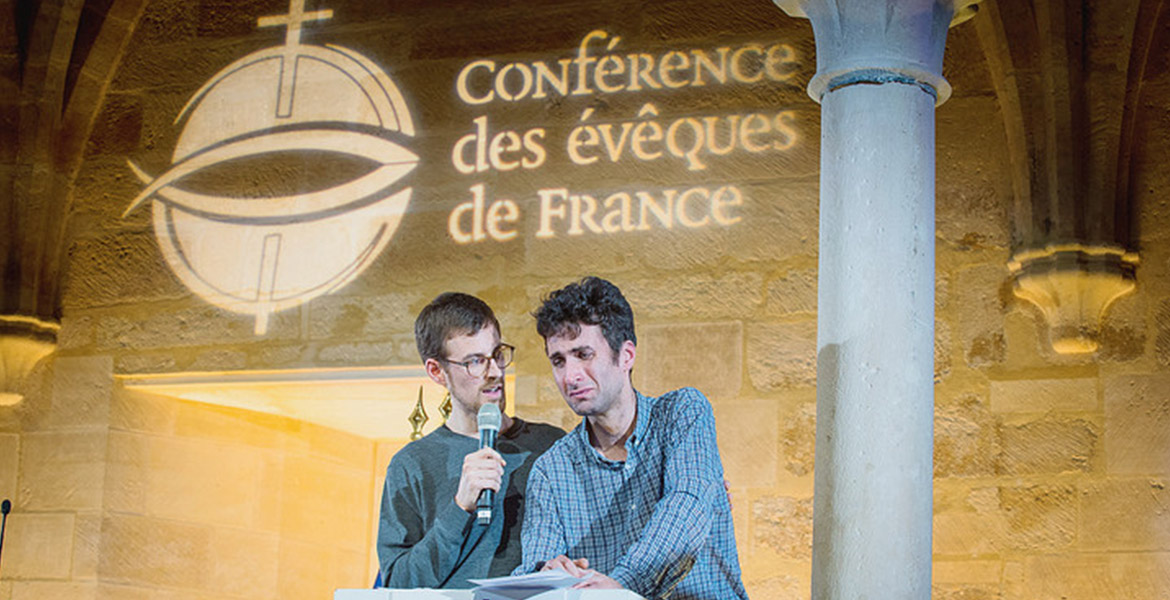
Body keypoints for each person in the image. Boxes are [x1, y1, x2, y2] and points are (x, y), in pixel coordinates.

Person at [515, 276, 748, 600]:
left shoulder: (682, 413)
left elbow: (686, 506)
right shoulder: (551, 470)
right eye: (559, 361)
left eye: (584, 354)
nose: (570, 376)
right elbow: (535, 569)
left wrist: (621, 584)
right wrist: (546, 575)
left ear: (626, 356)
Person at [376, 292, 564, 588]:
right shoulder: (411, 464)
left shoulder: (552, 445)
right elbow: (398, 584)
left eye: (497, 354)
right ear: (437, 371)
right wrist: (460, 507)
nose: (495, 372)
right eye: (475, 362)